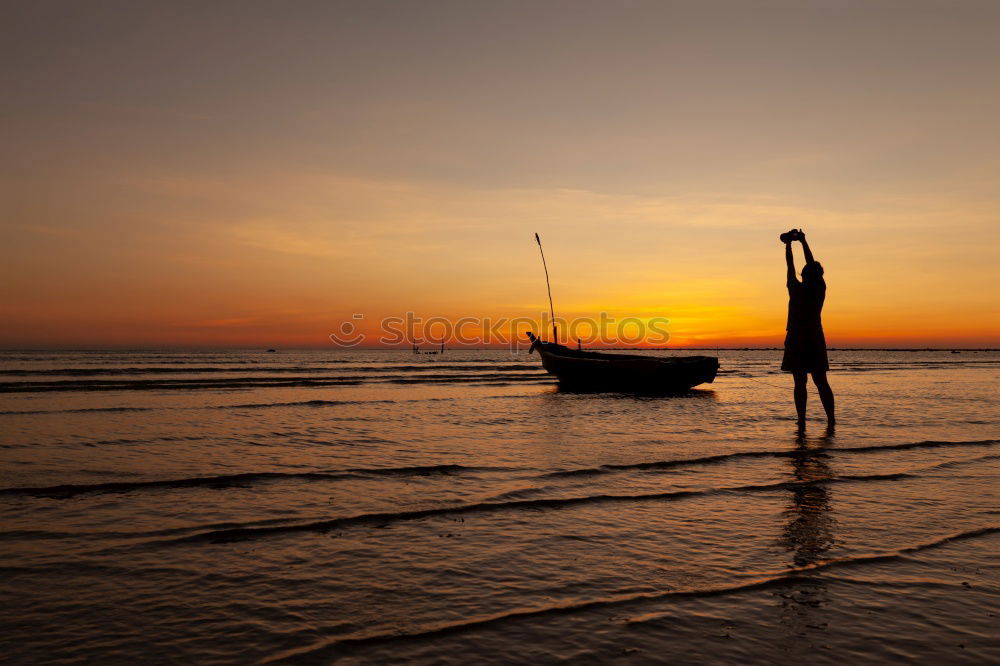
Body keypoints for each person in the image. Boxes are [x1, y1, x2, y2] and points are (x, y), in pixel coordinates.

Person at [781, 229, 835, 428]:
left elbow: (790, 265)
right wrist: (802, 242)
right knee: (820, 381)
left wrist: (789, 245)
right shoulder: (819, 288)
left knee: (800, 383)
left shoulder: (795, 288)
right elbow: (809, 264)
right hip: (812, 337)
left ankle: (802, 421)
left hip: (798, 338)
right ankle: (830, 420)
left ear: (803, 274)